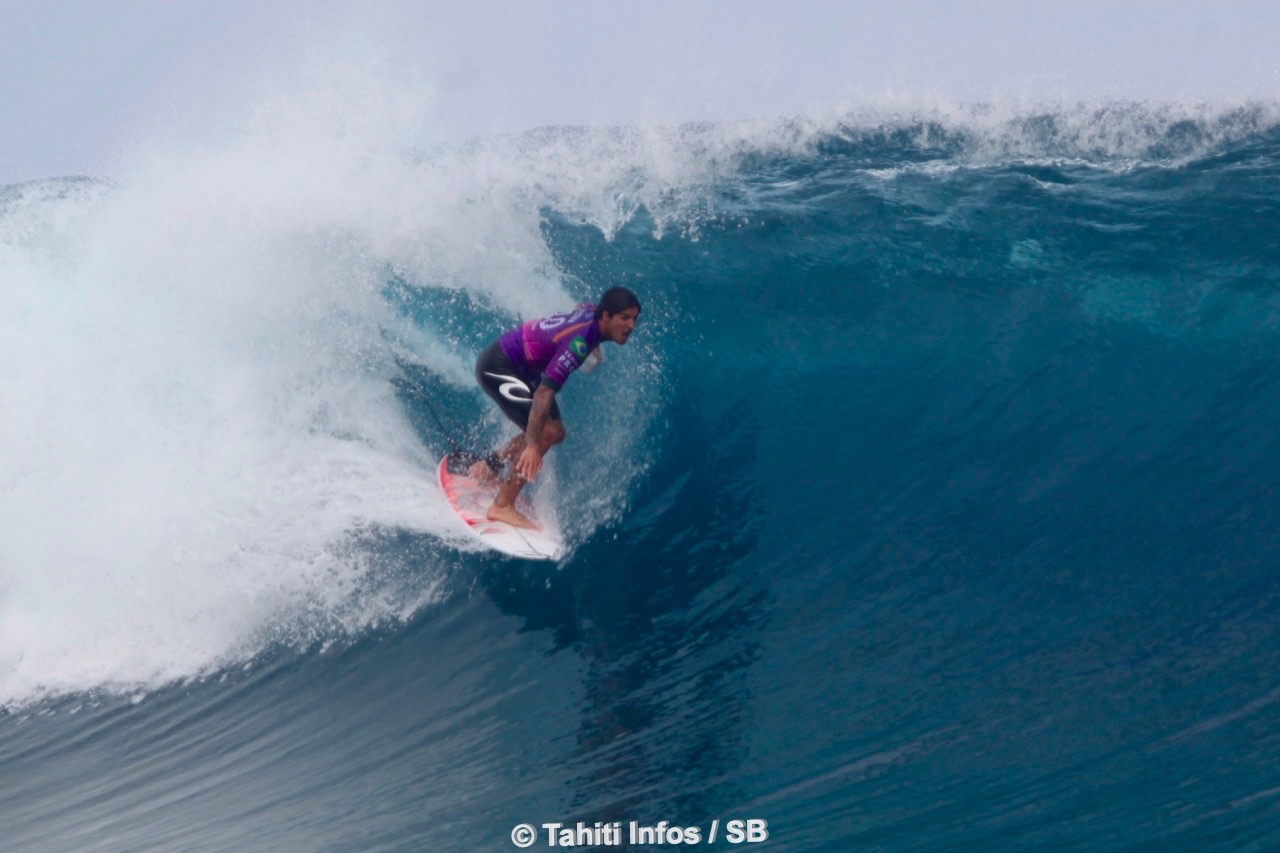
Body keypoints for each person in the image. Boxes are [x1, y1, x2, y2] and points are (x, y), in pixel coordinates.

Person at [471, 287, 641, 529]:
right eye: (624, 317)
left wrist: (596, 344)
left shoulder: (594, 316)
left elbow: (583, 307)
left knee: (556, 432)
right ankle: (502, 506)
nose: (631, 325)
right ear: (606, 317)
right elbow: (543, 393)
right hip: (499, 367)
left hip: (510, 364)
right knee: (546, 432)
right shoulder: (578, 344)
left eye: (634, 318)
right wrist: (532, 445)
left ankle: (488, 468)